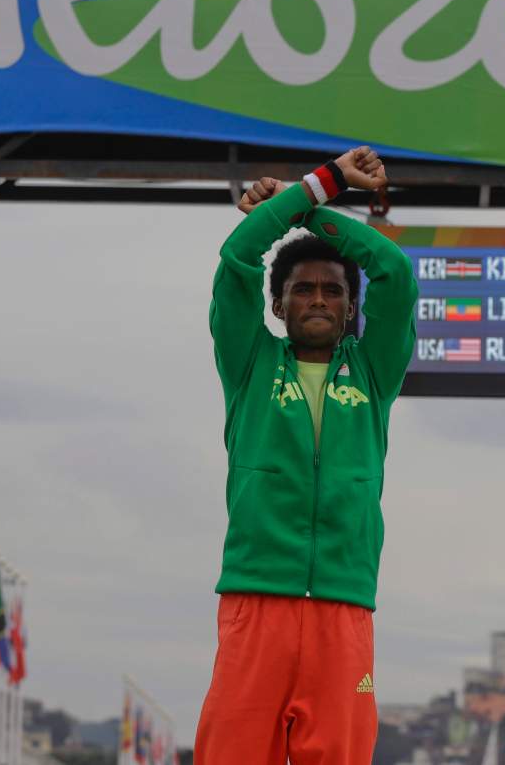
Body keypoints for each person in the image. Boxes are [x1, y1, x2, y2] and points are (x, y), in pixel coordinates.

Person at [195, 146, 418, 765]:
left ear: (351, 308)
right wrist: (323, 183)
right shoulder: (248, 361)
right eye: (301, 289)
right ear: (277, 305)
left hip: (344, 609)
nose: (318, 299)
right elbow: (238, 257)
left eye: (332, 290)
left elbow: (396, 271)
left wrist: (305, 210)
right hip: (255, 600)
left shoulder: (374, 372)